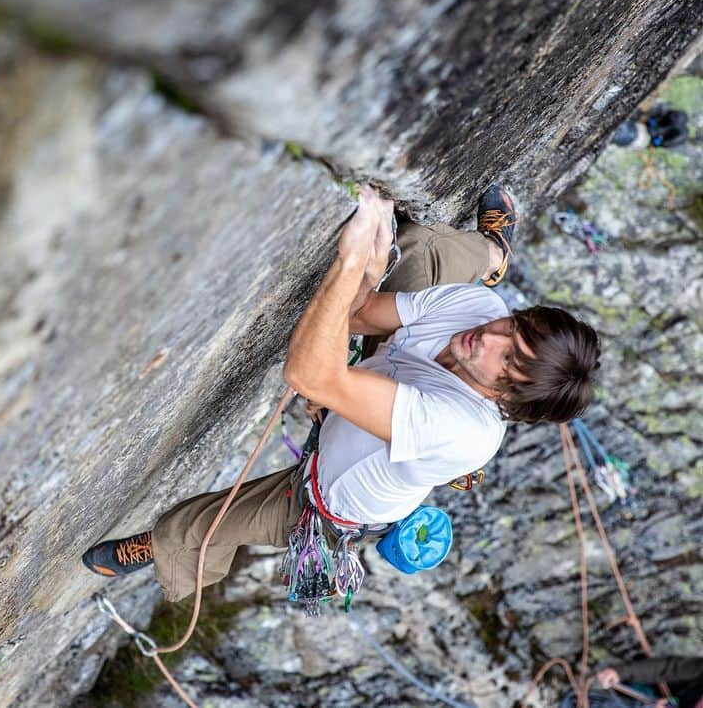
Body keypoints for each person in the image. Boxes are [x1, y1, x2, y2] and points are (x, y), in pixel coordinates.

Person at [81, 184, 601, 603]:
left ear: (508, 400)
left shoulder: (464, 430)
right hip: (386, 373)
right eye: (514, 327)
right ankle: (493, 252)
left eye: (507, 360)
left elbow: (313, 376)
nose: (489, 337)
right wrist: (373, 273)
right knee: (421, 245)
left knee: (194, 524)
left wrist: (352, 264)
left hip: (325, 499)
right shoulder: (480, 316)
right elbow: (357, 317)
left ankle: (160, 549)